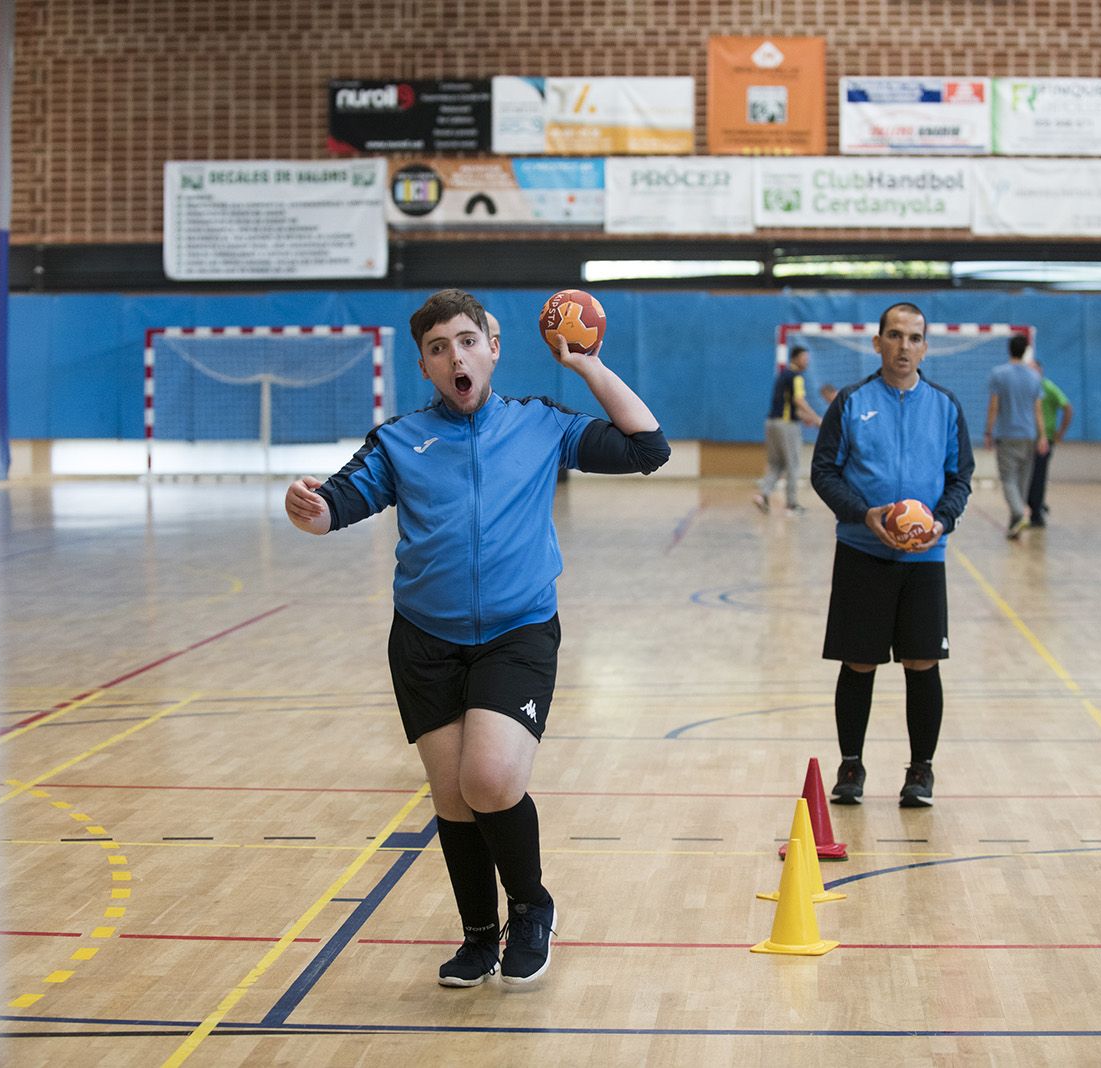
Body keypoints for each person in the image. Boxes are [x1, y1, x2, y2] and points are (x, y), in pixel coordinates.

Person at [284, 289, 669, 988]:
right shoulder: (399, 440)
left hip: (516, 634)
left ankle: (531, 907)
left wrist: (586, 366)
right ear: (426, 367)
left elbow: (648, 446)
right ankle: (477, 935)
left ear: (493, 349)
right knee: (453, 798)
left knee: (489, 779)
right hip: (425, 640)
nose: (455, 356)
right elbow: (333, 509)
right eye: (438, 348)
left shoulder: (540, 424)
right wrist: (306, 508)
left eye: (466, 341)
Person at [811, 302, 973, 809]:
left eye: (915, 338)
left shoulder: (945, 406)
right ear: (877, 342)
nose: (905, 347)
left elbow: (960, 478)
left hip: (925, 560)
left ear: (926, 346)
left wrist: (941, 521)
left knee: (922, 662)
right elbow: (823, 472)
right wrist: (864, 515)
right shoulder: (852, 402)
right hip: (862, 552)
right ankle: (851, 765)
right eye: (895, 336)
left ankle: (920, 771)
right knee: (858, 663)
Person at [984, 334, 1049, 539]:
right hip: (1029, 435)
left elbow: (994, 405)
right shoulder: (1034, 376)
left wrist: (988, 431)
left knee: (1008, 479)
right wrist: (1043, 436)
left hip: (1007, 434)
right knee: (1022, 480)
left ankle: (1019, 513)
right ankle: (1015, 522)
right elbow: (1038, 410)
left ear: (1009, 349)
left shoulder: (999, 374)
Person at [753, 345, 823, 515]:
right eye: (804, 358)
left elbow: (789, 404)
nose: (807, 361)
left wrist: (806, 418)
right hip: (786, 426)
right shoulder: (796, 377)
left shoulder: (782, 375)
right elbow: (799, 401)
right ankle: (791, 505)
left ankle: (763, 495)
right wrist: (816, 418)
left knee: (776, 464)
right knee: (793, 464)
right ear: (795, 358)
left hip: (771, 423)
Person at [1025, 360, 1073, 528]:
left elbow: (1067, 407)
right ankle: (1036, 504)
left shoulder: (1048, 387)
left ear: (1040, 371)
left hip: (1043, 439)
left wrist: (1060, 432)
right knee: (1027, 477)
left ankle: (1036, 512)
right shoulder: (1025, 388)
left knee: (1038, 476)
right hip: (1026, 438)